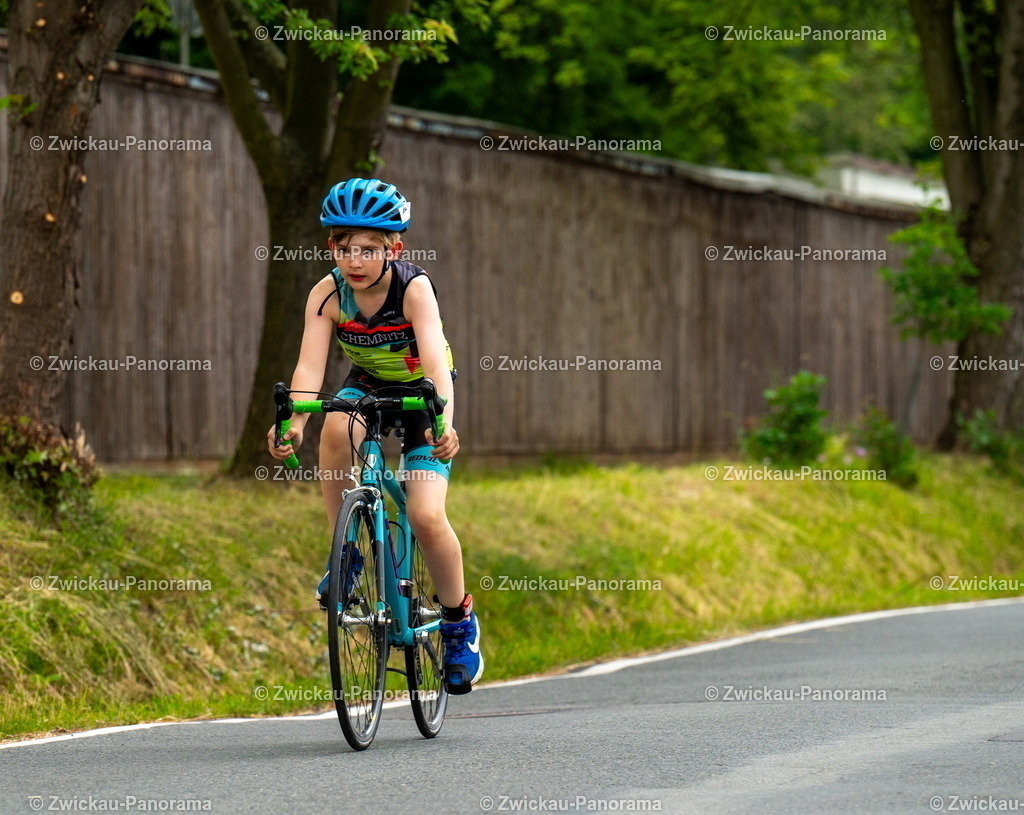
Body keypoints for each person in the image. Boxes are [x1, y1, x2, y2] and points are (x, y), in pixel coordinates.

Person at [266, 177, 482, 694]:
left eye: (369, 249)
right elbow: (310, 368)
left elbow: (433, 355)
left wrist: (444, 422)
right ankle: (347, 555)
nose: (355, 261)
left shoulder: (414, 288)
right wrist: (293, 423)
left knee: (425, 515)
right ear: (332, 248)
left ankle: (459, 624)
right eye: (345, 249)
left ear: (394, 248)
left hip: (423, 394)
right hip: (366, 385)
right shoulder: (327, 294)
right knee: (335, 422)